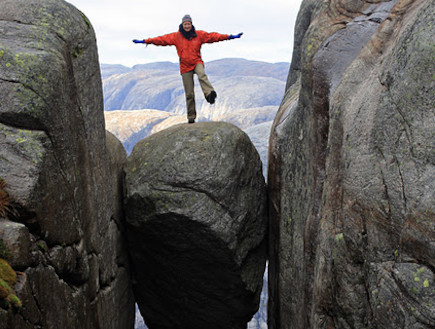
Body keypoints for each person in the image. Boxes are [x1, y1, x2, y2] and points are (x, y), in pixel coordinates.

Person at [133, 15, 243, 124]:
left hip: (196, 62)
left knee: (202, 75)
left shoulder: (199, 35)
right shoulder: (176, 36)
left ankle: (209, 94)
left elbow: (213, 37)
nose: (187, 26)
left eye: (188, 24)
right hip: (185, 66)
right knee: (189, 93)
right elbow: (161, 40)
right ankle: (191, 117)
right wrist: (145, 41)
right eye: (185, 24)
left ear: (191, 24)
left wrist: (229, 36)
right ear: (182, 24)